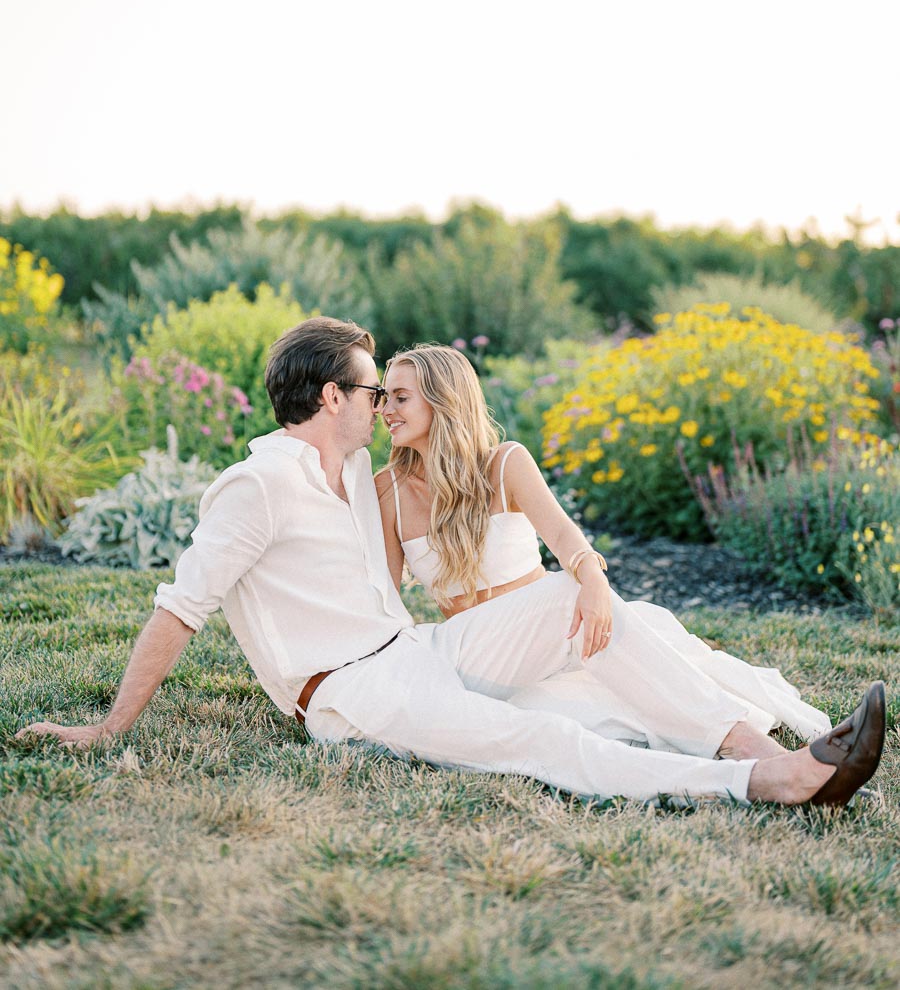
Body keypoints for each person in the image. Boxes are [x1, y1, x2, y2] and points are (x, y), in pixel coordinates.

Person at [17, 317, 885, 810]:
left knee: (563, 601)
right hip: (354, 691)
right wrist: (108, 728)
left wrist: (584, 573)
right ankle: (762, 780)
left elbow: (434, 529)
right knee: (543, 738)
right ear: (332, 399)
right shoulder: (255, 488)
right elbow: (180, 608)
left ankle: (751, 738)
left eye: (392, 395)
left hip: (423, 648)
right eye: (370, 392)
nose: (381, 406)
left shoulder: (357, 472)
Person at [375, 344, 842, 759]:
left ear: (445, 400)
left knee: (627, 675)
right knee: (590, 637)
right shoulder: (388, 491)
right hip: (482, 659)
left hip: (556, 642)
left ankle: (739, 740)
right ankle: (740, 742)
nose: (386, 410)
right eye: (383, 397)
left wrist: (594, 581)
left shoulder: (504, 463)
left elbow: (564, 537)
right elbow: (386, 602)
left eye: (401, 397)